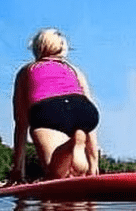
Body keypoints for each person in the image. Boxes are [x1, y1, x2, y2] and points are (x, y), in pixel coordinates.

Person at [10, 29, 99, 182]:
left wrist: (18, 170)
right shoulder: (74, 71)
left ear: (36, 48)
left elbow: (21, 123)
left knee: (54, 173)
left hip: (49, 109)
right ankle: (76, 147)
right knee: (78, 170)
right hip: (83, 110)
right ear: (63, 49)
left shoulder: (26, 71)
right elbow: (87, 104)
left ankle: (71, 144)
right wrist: (94, 164)